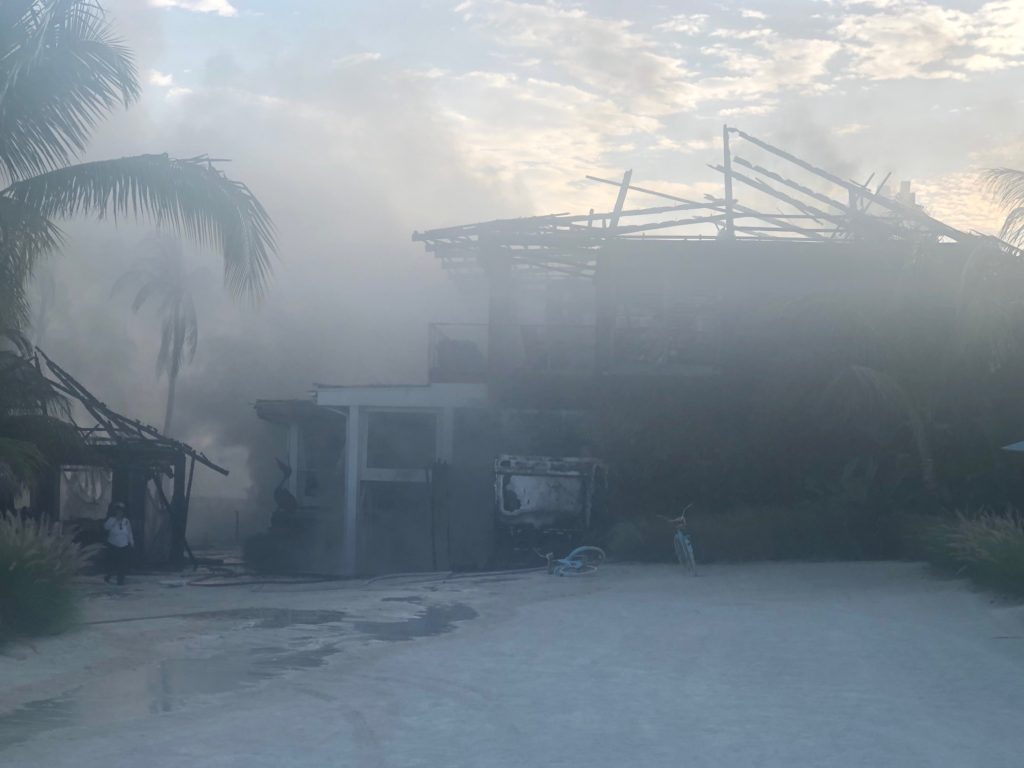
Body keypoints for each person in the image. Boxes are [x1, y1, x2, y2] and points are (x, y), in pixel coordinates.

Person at [103, 501, 134, 585]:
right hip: (113, 544)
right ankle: (108, 575)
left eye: (121, 511)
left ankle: (120, 580)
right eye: (118, 511)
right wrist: (115, 520)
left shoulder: (126, 521)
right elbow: (106, 527)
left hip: (124, 544)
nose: (120, 513)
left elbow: (129, 532)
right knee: (112, 563)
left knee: (122, 563)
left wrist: (131, 542)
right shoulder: (111, 519)